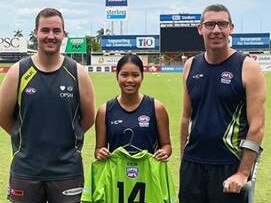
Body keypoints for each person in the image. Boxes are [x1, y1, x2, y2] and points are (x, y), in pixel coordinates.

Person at [0, 8, 95, 203]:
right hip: (26, 170)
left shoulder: (77, 73)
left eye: (56, 31)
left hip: (67, 171)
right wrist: (25, 136)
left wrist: (66, 138)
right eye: (45, 30)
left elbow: (88, 118)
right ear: (36, 33)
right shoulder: (18, 71)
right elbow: (2, 116)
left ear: (63, 34)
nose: (50, 36)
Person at [179, 4, 266, 203]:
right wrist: (184, 160)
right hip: (193, 165)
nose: (216, 30)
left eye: (222, 24)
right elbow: (185, 117)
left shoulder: (248, 67)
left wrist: (243, 172)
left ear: (231, 28)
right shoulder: (190, 65)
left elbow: (257, 125)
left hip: (229, 165)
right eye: (210, 24)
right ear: (200, 29)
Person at [95, 53, 172, 161]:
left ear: (142, 77)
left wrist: (164, 152)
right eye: (124, 75)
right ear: (117, 76)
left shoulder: (157, 108)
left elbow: (166, 145)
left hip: (147, 175)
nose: (130, 80)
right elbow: (98, 149)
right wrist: (100, 153)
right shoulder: (104, 111)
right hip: (117, 175)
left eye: (135, 75)